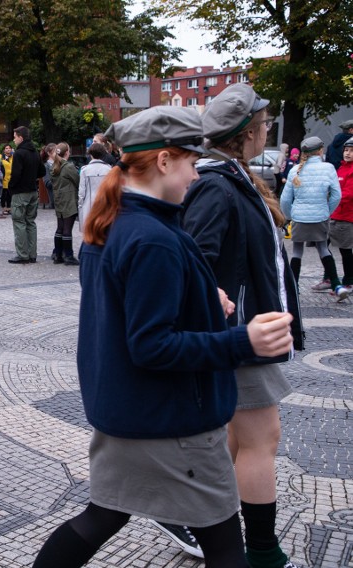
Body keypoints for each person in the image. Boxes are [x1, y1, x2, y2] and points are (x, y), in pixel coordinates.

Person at [34, 105, 295, 568]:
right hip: (170, 420)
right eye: (192, 163)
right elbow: (151, 345)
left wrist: (200, 295)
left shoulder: (117, 222)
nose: (197, 176)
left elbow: (123, 310)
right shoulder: (151, 236)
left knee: (102, 517)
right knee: (223, 545)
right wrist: (244, 341)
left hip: (129, 411)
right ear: (163, 161)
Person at [182, 83, 306, 568]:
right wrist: (225, 324)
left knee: (235, 441)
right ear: (246, 133)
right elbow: (196, 264)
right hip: (238, 338)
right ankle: (261, 553)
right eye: (265, 122)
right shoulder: (217, 184)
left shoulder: (231, 177)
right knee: (261, 438)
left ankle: (215, 534)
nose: (269, 127)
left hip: (243, 334)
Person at [280, 136, 345, 299]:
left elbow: (285, 199)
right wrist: (326, 211)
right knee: (323, 249)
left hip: (299, 217)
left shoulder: (295, 170)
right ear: (320, 150)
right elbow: (336, 195)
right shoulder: (329, 168)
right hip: (320, 217)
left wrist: (289, 215)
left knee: (297, 251)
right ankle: (337, 285)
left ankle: (293, 286)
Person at [7, 126, 45, 263]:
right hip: (33, 191)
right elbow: (42, 172)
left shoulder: (19, 153)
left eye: (15, 136)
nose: (13, 139)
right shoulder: (35, 152)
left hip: (20, 192)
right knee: (31, 222)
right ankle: (32, 254)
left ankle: (23, 255)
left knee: (19, 222)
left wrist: (11, 187)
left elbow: (15, 174)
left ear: (21, 138)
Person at [329, 137, 353, 298]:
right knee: (323, 248)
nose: (348, 153)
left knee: (345, 251)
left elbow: (348, 194)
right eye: (346, 150)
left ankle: (348, 281)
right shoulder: (341, 168)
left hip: (346, 217)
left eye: (351, 151)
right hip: (333, 215)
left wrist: (331, 198)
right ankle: (330, 278)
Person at [50, 142, 80, 265]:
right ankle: (68, 255)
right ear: (67, 152)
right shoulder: (68, 167)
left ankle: (58, 254)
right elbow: (78, 182)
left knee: (60, 228)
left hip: (59, 200)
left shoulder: (55, 166)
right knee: (67, 229)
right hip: (69, 200)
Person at [78, 143, 112, 231]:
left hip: (89, 205)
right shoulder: (109, 169)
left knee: (90, 234)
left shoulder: (84, 170)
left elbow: (81, 193)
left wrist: (80, 208)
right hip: (105, 205)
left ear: (91, 154)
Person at [41, 143, 57, 209]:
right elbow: (47, 183)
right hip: (54, 200)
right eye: (55, 151)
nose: (58, 152)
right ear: (49, 153)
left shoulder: (60, 163)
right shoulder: (46, 166)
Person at [0, 144, 14, 216]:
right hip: (3, 179)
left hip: (11, 179)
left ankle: (9, 208)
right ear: (4, 150)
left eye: (9, 148)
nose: (8, 150)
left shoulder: (13, 157)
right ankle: (3, 208)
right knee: (4, 195)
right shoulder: (0, 157)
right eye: (6, 148)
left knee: (10, 195)